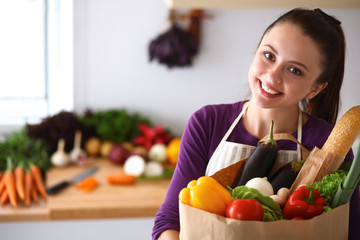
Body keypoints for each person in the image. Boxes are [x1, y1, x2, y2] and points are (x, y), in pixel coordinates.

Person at [152, 8, 359, 240]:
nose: (272, 76)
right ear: (256, 50)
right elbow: (171, 219)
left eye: (294, 70)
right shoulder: (207, 123)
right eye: (269, 56)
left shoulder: (329, 145)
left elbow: (351, 229)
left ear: (315, 88)